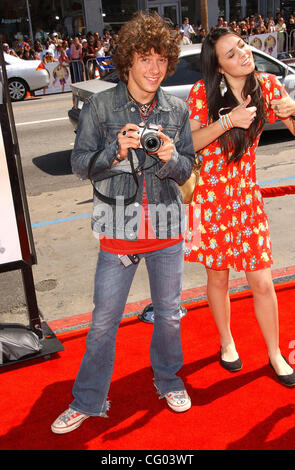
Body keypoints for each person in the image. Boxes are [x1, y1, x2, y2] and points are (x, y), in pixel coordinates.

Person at [51, 11, 195, 435]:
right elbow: (79, 165)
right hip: (118, 226)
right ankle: (88, 399)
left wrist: (171, 159)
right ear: (128, 60)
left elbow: (189, 167)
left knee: (168, 315)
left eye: (161, 60)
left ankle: (168, 379)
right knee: (102, 321)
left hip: (167, 228)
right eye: (144, 58)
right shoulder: (102, 106)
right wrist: (114, 152)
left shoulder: (177, 109)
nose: (154, 69)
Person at [184, 26, 295, 386]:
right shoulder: (202, 92)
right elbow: (190, 144)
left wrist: (294, 110)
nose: (243, 54)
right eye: (230, 54)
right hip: (211, 198)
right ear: (218, 66)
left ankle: (275, 353)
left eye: (242, 46)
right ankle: (226, 341)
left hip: (247, 196)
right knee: (218, 276)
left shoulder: (268, 87)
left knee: (262, 280)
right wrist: (228, 121)